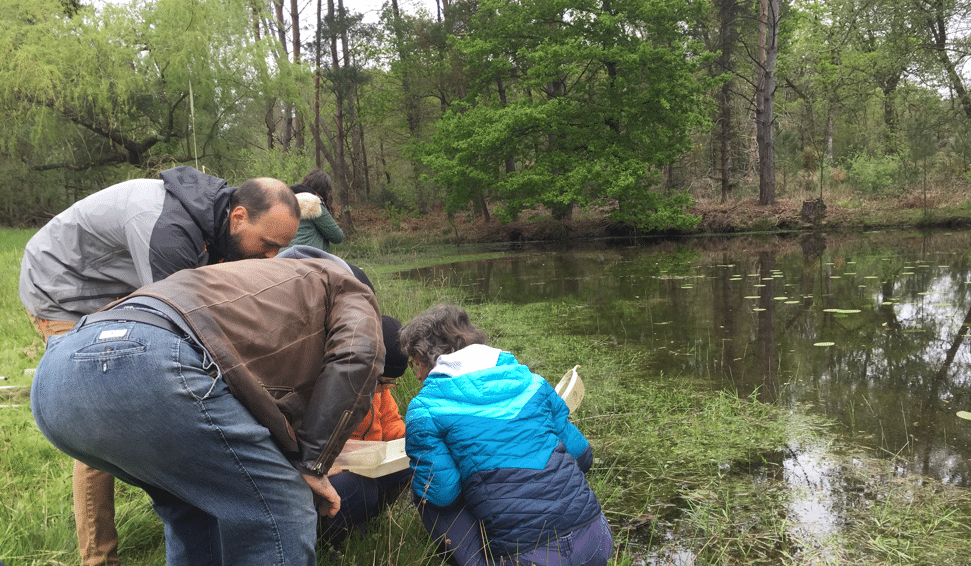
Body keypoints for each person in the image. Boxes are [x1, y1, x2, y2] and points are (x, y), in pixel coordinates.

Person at [19, 165, 300, 566]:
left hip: (118, 285)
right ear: (239, 217)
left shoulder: (217, 222)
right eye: (268, 244)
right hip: (63, 288)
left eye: (281, 249)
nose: (272, 256)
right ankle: (98, 558)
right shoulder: (168, 233)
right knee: (96, 404)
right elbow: (185, 328)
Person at [30, 256, 385, 565]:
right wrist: (314, 463)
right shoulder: (344, 284)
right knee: (282, 507)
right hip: (146, 358)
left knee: (195, 508)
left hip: (58, 375)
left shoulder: (250, 279)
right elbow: (357, 355)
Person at [400, 305, 613, 566]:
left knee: (426, 492)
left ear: (427, 357)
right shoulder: (532, 382)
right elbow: (582, 456)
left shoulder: (425, 408)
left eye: (415, 363)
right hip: (596, 541)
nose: (417, 374)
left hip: (528, 558)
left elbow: (445, 495)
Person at [317, 315, 412, 548]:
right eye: (381, 382)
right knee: (360, 488)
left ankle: (361, 520)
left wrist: (411, 442)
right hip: (329, 471)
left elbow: (390, 422)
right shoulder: (327, 381)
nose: (383, 389)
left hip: (366, 465)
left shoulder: (377, 387)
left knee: (414, 464)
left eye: (388, 384)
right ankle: (327, 540)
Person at [285, 168, 345, 252]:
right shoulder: (314, 203)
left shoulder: (286, 203)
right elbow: (337, 237)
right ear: (325, 191)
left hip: (282, 258)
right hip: (306, 258)